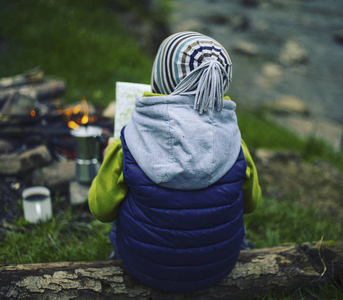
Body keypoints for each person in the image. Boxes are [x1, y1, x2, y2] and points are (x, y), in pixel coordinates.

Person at [88, 31, 261, 293]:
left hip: (145, 268)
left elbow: (100, 210)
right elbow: (251, 203)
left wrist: (107, 161)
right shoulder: (235, 143)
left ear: (159, 79)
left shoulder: (128, 142)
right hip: (217, 267)